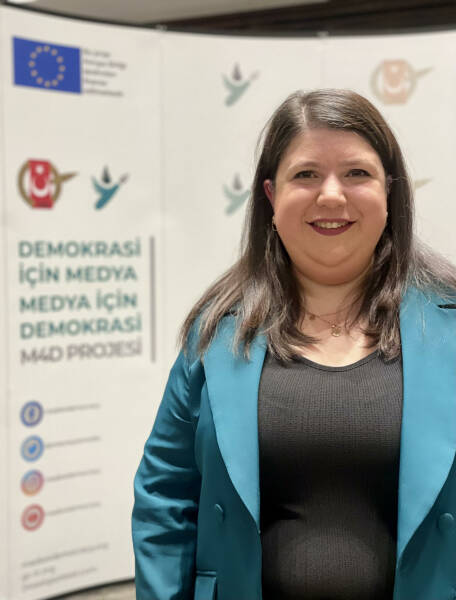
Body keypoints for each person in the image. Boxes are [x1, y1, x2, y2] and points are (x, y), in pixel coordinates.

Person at [132, 89, 456, 600]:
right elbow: (164, 496)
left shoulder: (449, 325)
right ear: (270, 195)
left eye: (357, 173)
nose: (331, 196)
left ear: (390, 192)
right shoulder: (216, 330)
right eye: (306, 174)